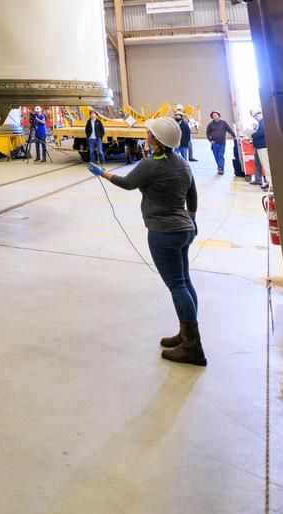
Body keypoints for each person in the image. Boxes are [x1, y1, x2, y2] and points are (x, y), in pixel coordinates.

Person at [88, 116, 205, 366]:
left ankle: (193, 347)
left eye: (149, 132)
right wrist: (192, 219)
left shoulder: (152, 164)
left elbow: (128, 183)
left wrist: (102, 173)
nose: (146, 134)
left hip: (163, 232)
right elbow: (193, 194)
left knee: (177, 286)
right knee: (184, 281)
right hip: (184, 229)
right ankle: (186, 334)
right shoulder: (181, 162)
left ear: (157, 139)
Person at [206, 110, 238, 175]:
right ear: (212, 117)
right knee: (216, 156)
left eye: (216, 115)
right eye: (213, 115)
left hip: (222, 143)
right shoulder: (210, 124)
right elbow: (207, 133)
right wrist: (210, 140)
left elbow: (229, 130)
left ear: (219, 115)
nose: (215, 116)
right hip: (214, 143)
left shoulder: (224, 123)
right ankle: (219, 167)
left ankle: (221, 168)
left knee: (221, 156)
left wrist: (235, 136)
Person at [251, 111, 269, 189]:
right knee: (264, 165)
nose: (256, 117)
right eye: (254, 116)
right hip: (260, 147)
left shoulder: (264, 122)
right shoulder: (259, 123)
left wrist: (252, 134)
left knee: (266, 165)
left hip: (263, 147)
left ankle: (271, 184)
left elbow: (262, 132)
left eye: (257, 115)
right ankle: (269, 182)